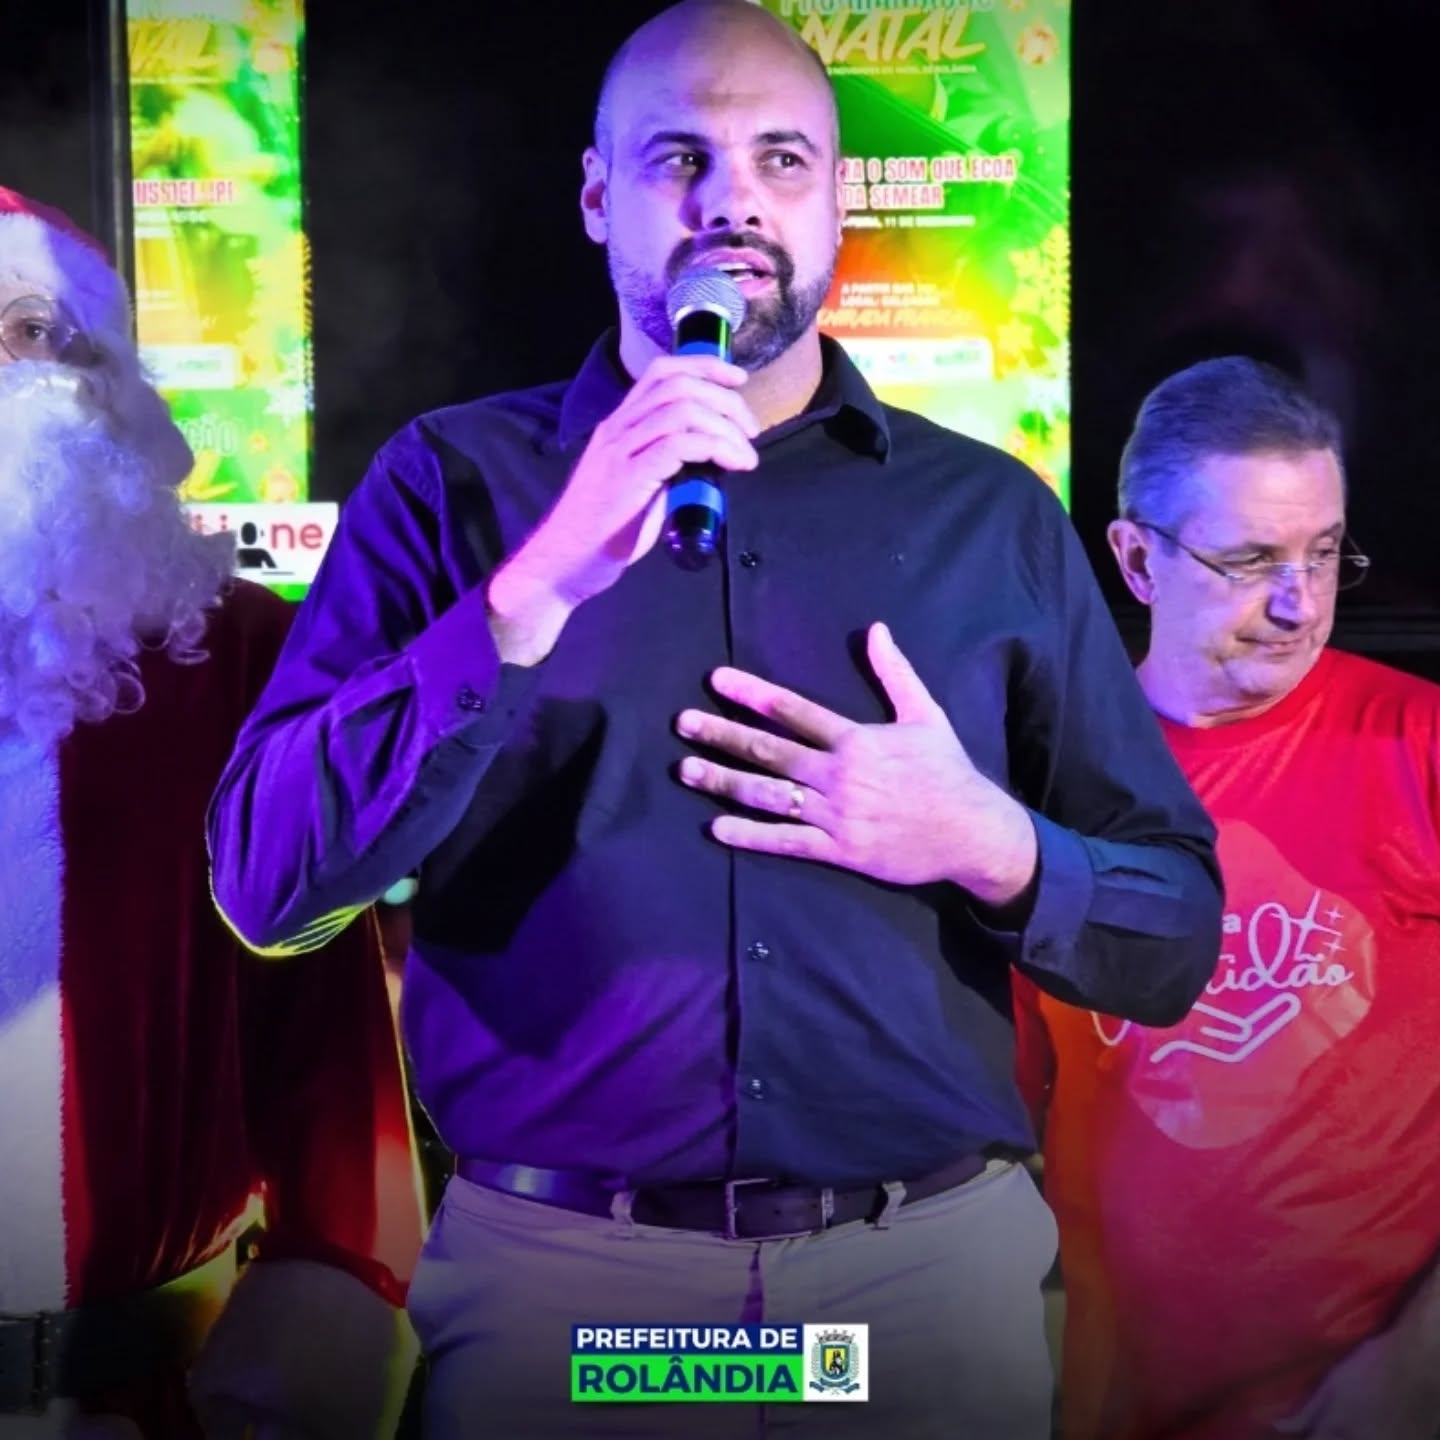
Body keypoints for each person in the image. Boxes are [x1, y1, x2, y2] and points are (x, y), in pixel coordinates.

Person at [206, 3, 1223, 1435]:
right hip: (569, 1286)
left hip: (916, 1283)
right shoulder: (451, 486)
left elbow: (1173, 936)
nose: (732, 198)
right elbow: (268, 883)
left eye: (781, 160)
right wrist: (527, 593)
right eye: (679, 157)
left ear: (837, 204)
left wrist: (987, 842)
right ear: (597, 196)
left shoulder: (988, 517)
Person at [0, 186, 422, 1438]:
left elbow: (329, 1049)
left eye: (31, 329)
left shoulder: (240, 661)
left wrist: (327, 1300)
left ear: (115, 388)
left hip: (147, 1398)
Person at [1014, 355, 1440, 1440]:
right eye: (1249, 560)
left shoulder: (1421, 743)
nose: (1300, 604)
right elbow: (998, 1133)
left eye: (1324, 553)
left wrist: (1415, 1369)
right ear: (1135, 559)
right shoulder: (1042, 786)